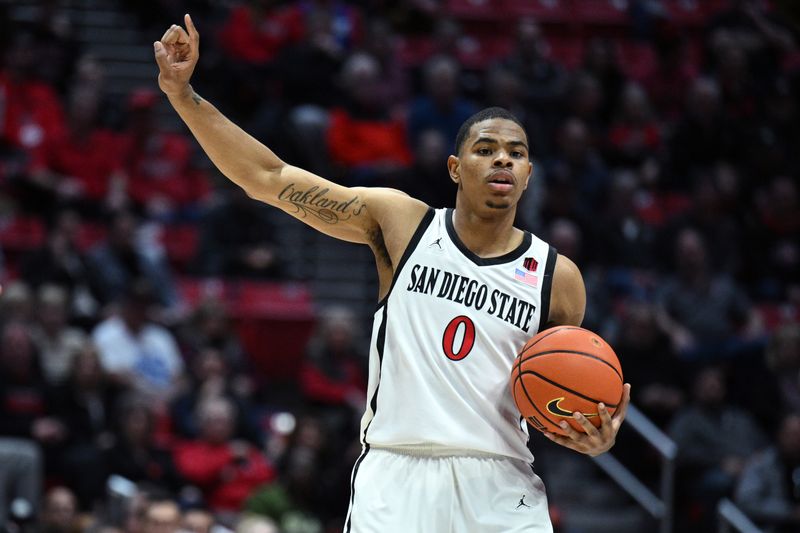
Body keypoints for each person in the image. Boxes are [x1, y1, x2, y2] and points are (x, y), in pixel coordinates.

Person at [153, 16, 631, 532]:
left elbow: (560, 398)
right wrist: (185, 97)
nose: (502, 161)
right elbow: (269, 178)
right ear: (454, 167)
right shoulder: (403, 223)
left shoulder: (558, 278)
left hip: (501, 480)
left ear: (529, 174)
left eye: (516, 154)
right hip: (397, 469)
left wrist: (592, 434)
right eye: (486, 149)